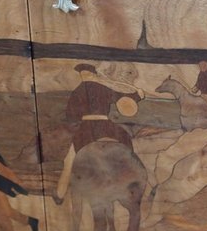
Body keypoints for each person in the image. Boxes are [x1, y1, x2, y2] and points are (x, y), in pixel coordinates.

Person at [56, 63, 145, 198]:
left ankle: (60, 194)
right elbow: (124, 100)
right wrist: (138, 95)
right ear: (93, 74)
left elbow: (70, 115)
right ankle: (133, 178)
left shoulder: (77, 92)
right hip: (107, 126)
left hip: (86, 129)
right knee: (128, 148)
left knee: (69, 162)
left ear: (83, 75)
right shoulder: (105, 88)